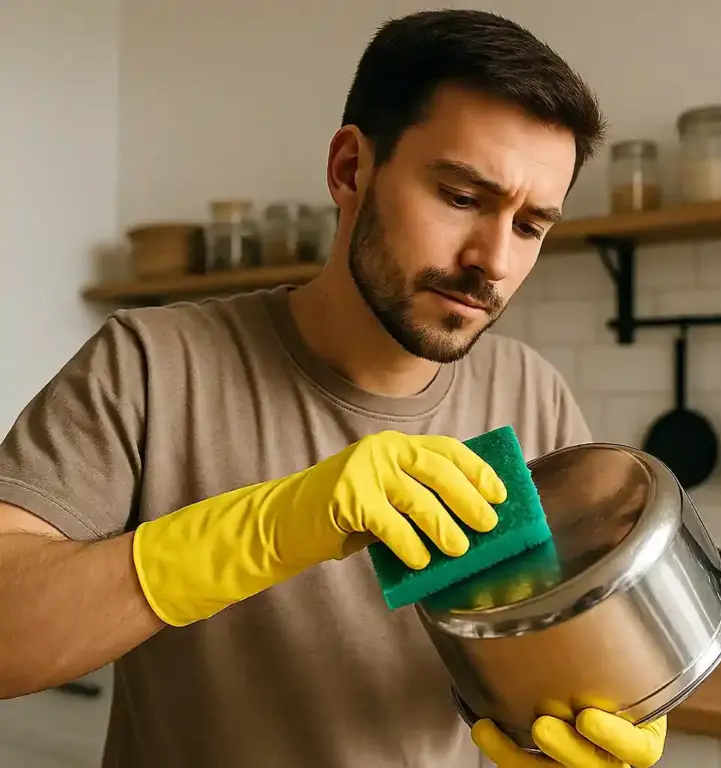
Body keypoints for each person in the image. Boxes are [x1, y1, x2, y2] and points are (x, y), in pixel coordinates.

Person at [0, 9, 667, 768]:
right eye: (461, 197)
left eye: (530, 226)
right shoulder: (153, 364)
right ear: (351, 168)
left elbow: (550, 658)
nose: (494, 260)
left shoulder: (532, 397)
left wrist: (593, 716)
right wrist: (267, 528)